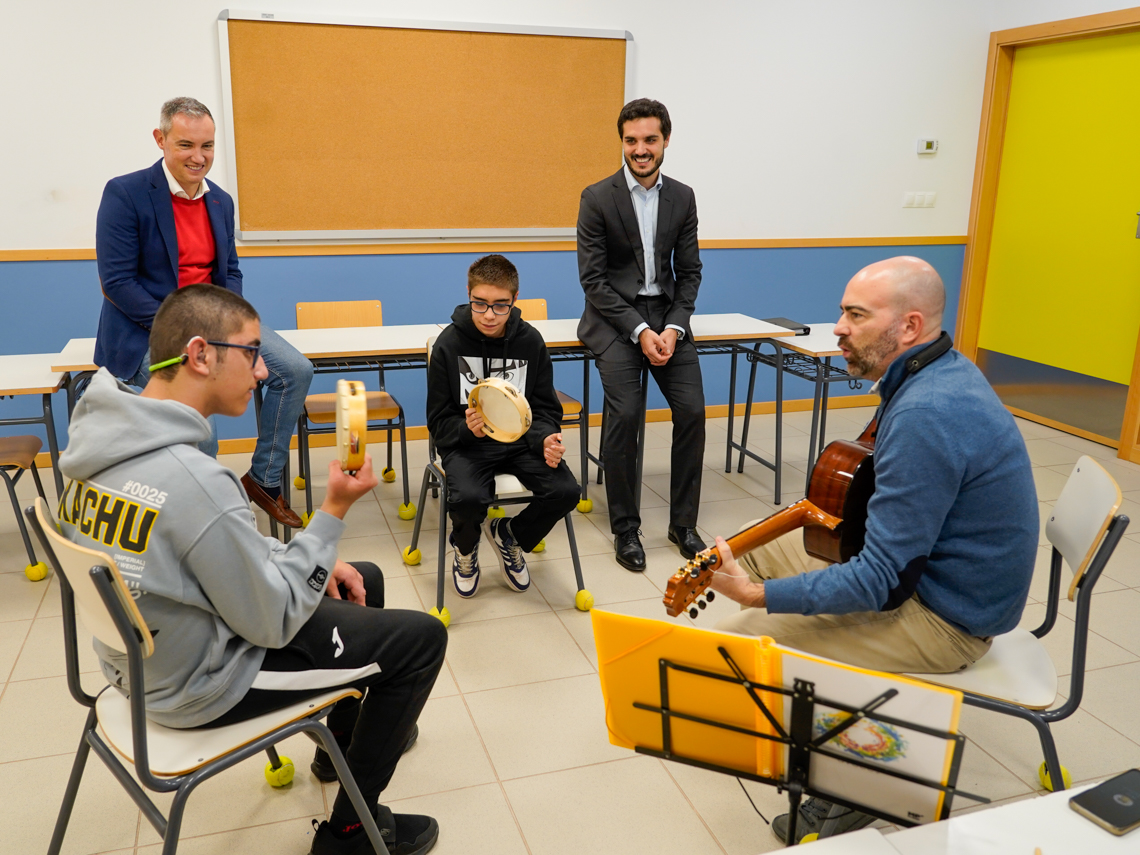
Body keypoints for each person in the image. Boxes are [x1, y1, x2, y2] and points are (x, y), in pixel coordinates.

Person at [58, 284, 446, 855]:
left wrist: (312, 555)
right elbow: (273, 620)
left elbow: (210, 549)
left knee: (362, 576)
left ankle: (337, 748)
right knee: (421, 641)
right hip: (200, 683)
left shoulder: (98, 448)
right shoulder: (194, 480)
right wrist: (332, 512)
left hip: (136, 664)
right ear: (200, 354)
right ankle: (349, 835)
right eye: (252, 352)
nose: (263, 371)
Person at [707, 256, 1038, 843]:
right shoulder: (935, 369)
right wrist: (756, 577)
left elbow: (880, 581)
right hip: (931, 577)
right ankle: (835, 731)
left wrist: (760, 596)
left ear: (909, 326)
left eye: (856, 315)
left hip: (950, 617)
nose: (838, 327)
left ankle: (865, 779)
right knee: (762, 543)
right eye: (843, 311)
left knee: (743, 645)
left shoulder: (927, 411)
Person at [94, 96, 313, 529]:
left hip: (213, 321)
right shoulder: (125, 193)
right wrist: (183, 330)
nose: (199, 157)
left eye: (207, 146)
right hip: (149, 330)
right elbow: (117, 282)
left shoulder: (220, 201)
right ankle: (203, 524)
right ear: (160, 140)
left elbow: (230, 272)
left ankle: (263, 480)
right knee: (202, 430)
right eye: (186, 145)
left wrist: (230, 326)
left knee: (295, 370)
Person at [576, 98, 706, 572]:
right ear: (622, 143)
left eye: (650, 139)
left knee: (692, 411)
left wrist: (672, 326)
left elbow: (689, 272)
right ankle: (625, 528)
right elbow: (593, 281)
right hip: (614, 318)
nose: (640, 149)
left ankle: (683, 524)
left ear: (665, 140)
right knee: (626, 414)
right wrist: (638, 329)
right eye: (631, 141)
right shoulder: (597, 197)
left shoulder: (682, 197)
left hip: (667, 316)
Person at [426, 254, 580, 597]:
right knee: (468, 498)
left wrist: (545, 438)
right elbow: (437, 420)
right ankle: (465, 550)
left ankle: (509, 534)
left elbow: (545, 408)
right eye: (479, 304)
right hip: (469, 445)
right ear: (468, 294)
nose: (489, 315)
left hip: (521, 442)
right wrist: (466, 429)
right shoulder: (449, 344)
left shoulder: (530, 341)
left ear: (515, 299)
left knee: (566, 491)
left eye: (500, 305)